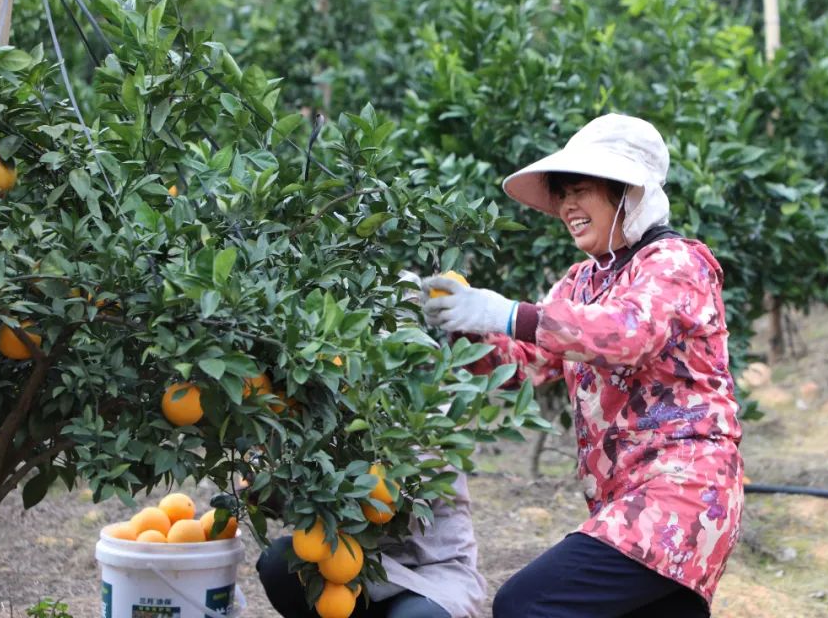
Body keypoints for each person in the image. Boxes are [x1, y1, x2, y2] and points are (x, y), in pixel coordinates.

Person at [422, 114, 744, 617]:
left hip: (681, 497)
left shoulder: (675, 262)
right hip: (623, 501)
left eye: (580, 190)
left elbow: (628, 334)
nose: (567, 207)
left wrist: (506, 311)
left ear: (627, 193)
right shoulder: (581, 281)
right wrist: (461, 324)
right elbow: (528, 364)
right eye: (561, 195)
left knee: (526, 604)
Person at [255, 470, 488, 618]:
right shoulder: (328, 407)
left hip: (432, 572)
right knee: (280, 562)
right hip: (355, 569)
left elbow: (395, 500)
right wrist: (267, 487)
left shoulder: (429, 422)